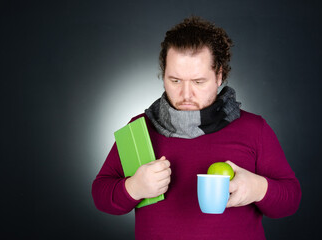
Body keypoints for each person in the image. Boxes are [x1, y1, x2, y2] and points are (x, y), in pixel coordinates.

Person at [92, 16, 301, 240]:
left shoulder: (253, 129)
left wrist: (259, 188)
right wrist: (133, 188)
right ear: (163, 76)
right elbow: (100, 194)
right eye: (175, 81)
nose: (186, 95)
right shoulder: (139, 128)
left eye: (198, 82)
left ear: (219, 76)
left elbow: (290, 200)